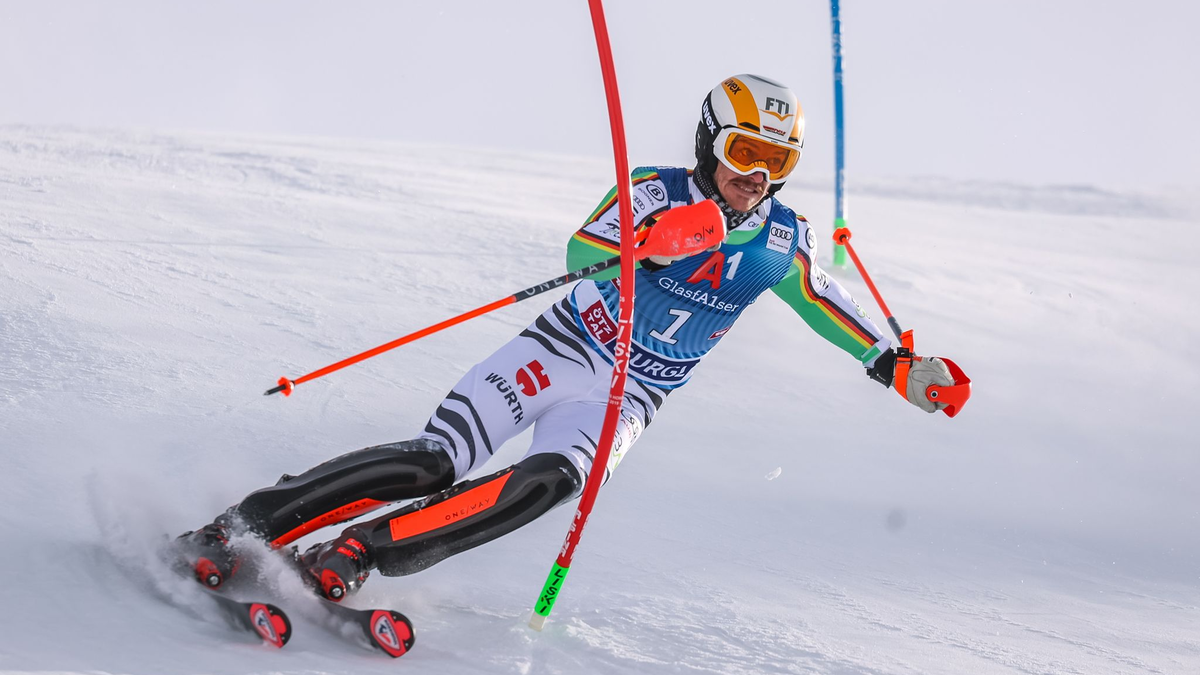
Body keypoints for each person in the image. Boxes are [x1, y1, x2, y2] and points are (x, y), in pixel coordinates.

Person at [176, 74, 956, 601]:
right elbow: (582, 251)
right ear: (711, 143)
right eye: (742, 153)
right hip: (561, 352)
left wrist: (897, 366)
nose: (754, 175)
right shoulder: (653, 189)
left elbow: (826, 301)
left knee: (547, 485)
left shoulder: (784, 238)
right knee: (436, 459)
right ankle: (239, 525)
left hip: (629, 395)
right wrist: (654, 239)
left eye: (774, 161)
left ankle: (356, 551)